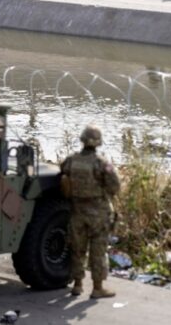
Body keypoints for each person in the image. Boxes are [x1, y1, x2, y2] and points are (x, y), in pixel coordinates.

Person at [60, 125, 120, 300]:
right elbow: (115, 187)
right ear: (98, 143)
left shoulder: (71, 160)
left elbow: (62, 174)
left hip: (77, 211)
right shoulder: (102, 163)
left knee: (77, 249)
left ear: (82, 140)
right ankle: (97, 288)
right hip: (98, 213)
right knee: (98, 251)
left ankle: (77, 285)